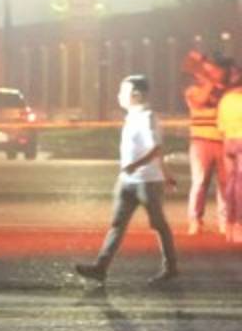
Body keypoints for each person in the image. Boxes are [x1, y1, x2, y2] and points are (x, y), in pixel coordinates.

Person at [76, 75, 178, 285]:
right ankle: (100, 268)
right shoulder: (131, 117)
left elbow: (156, 148)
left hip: (148, 182)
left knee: (158, 224)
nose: (119, 96)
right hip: (126, 182)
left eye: (123, 92)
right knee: (117, 224)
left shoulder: (148, 117)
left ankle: (171, 267)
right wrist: (163, 173)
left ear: (136, 95)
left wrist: (138, 166)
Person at [183, 52, 233, 236]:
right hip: (201, 142)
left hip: (222, 140)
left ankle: (225, 221)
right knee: (200, 182)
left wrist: (213, 74)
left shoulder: (224, 91)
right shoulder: (192, 91)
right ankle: (195, 220)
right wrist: (211, 81)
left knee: (225, 184)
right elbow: (200, 102)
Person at [218, 87, 242, 243]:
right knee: (240, 185)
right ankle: (239, 224)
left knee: (230, 184)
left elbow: (220, 125)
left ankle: (229, 224)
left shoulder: (225, 99)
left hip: (228, 141)